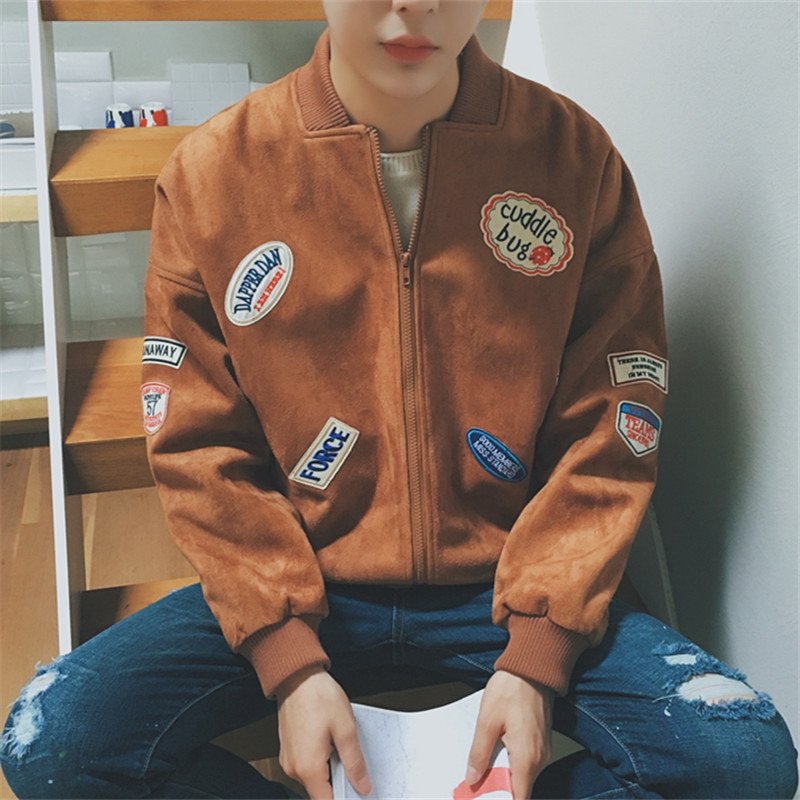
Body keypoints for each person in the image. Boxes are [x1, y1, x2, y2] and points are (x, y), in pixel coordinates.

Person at [2, 2, 797, 798]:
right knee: (54, 740)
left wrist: (536, 655)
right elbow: (197, 443)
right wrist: (288, 659)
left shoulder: (573, 157)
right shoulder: (214, 174)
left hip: (510, 579)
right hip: (303, 575)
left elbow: (612, 422)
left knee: (742, 759)